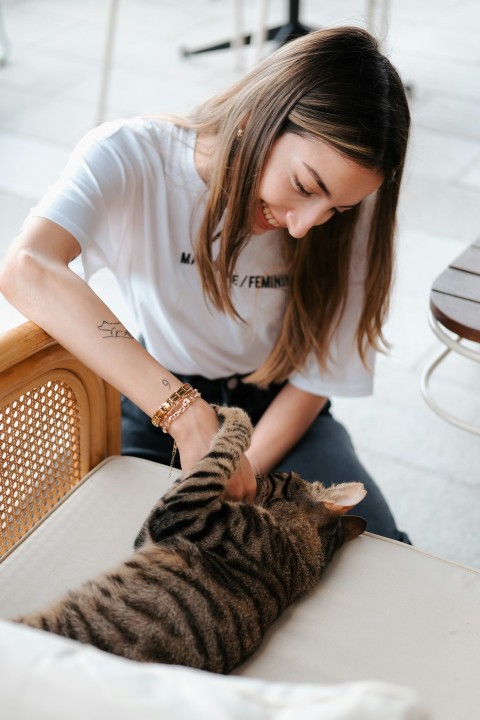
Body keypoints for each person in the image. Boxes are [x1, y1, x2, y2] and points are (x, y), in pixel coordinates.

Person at [0, 27, 410, 541]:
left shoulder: (351, 217)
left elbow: (316, 378)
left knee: (379, 550)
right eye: (304, 186)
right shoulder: (131, 155)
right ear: (261, 116)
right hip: (156, 401)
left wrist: (238, 468)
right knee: (99, 551)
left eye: (335, 210)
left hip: (279, 413)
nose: (306, 225)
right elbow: (28, 267)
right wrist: (185, 416)